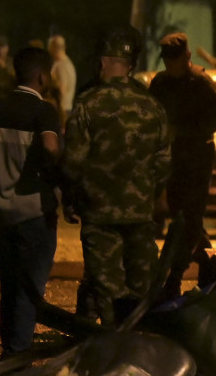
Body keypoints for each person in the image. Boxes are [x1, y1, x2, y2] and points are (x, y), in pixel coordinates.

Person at [63, 26, 173, 323]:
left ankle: (108, 351)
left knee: (107, 289)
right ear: (130, 66)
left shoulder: (88, 104)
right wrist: (146, 193)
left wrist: (71, 199)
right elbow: (163, 162)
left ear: (102, 63)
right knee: (140, 291)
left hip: (100, 217)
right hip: (139, 215)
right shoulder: (152, 107)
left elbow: (73, 161)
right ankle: (138, 349)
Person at [0, 46, 62, 354]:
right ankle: (17, 357)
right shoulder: (44, 110)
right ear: (42, 76)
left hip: (3, 214)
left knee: (9, 287)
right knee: (29, 290)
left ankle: (8, 352)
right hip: (34, 213)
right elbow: (51, 147)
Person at [148, 32, 216, 298]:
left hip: (197, 159)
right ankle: (210, 267)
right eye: (166, 60)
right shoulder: (160, 83)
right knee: (184, 219)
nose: (170, 65)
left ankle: (175, 277)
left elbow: (213, 122)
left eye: (174, 60)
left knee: (189, 218)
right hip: (173, 160)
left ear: (187, 57)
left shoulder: (202, 84)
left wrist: (179, 131)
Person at [47, 35, 78, 116]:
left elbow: (62, 90)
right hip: (64, 110)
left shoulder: (61, 66)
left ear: (54, 47)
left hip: (61, 112)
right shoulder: (67, 63)